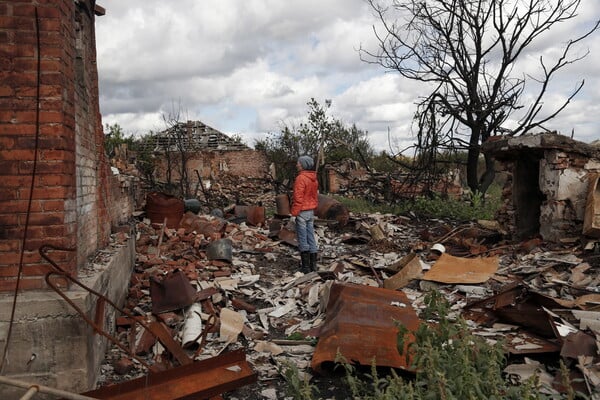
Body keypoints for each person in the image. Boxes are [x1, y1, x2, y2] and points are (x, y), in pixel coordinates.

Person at [291, 155, 319, 273]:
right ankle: (313, 266)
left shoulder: (301, 178)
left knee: (302, 238)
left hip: (302, 211)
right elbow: (314, 195)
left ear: (303, 164)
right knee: (311, 237)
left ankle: (306, 267)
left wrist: (294, 214)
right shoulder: (313, 178)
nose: (297, 164)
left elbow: (298, 198)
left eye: (298, 163)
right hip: (310, 211)